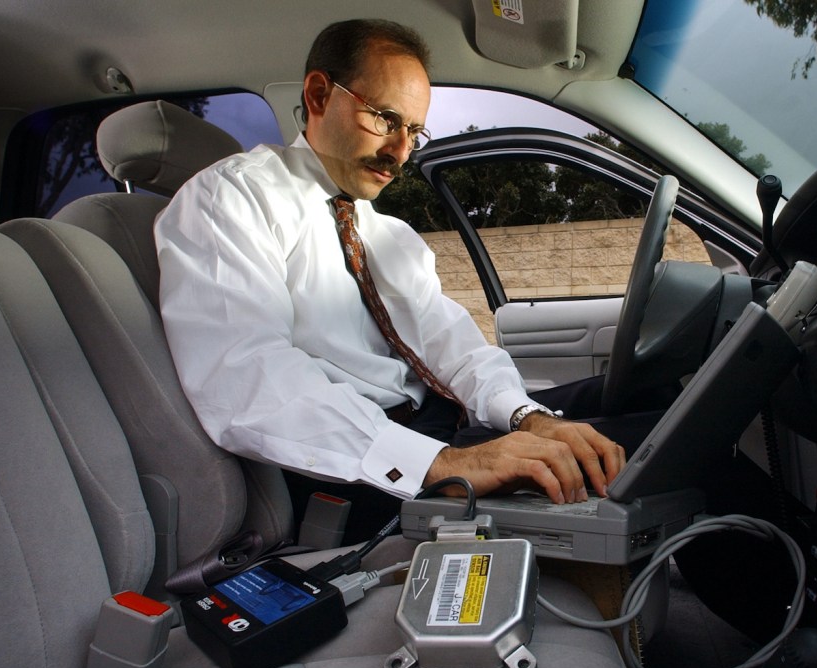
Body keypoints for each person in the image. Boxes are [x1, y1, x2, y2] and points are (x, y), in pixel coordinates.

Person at [154, 19, 629, 533]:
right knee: (628, 453)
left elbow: (454, 346)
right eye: (385, 119)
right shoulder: (230, 199)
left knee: (632, 414)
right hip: (354, 467)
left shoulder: (388, 234)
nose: (402, 151)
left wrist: (527, 418)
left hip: (433, 432)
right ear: (318, 95)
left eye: (415, 132)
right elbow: (248, 375)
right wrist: (446, 464)